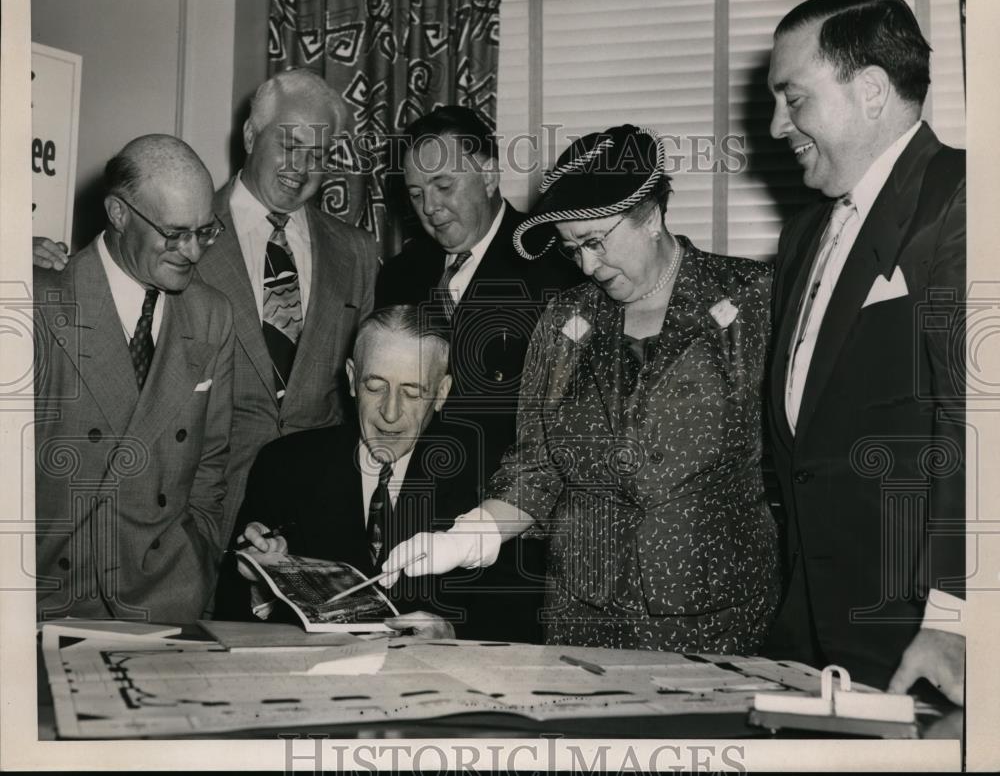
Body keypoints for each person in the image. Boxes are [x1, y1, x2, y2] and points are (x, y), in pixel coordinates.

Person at [383, 125, 781, 654]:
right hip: (582, 614)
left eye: (596, 242)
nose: (588, 267)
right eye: (574, 251)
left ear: (652, 216)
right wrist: (464, 538)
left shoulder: (749, 300)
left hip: (715, 616)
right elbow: (537, 469)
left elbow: (799, 458)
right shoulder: (566, 318)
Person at [32, 69, 379, 560]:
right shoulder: (173, 223)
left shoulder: (358, 252)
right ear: (251, 135)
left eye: (319, 155)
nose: (301, 168)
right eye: (289, 144)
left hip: (310, 525)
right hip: (183, 528)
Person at [763, 0, 965, 699]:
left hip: (920, 635)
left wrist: (956, 615)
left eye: (793, 99)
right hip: (812, 628)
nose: (775, 125)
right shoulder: (803, 236)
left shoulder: (965, 198)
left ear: (872, 90)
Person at [375, 106, 579, 643]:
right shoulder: (400, 274)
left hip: (511, 547)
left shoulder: (556, 267)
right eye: (416, 194)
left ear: (489, 172)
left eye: (444, 185)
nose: (431, 209)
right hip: (411, 531)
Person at [34, 134, 234, 624]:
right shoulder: (37, 300)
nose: (192, 251)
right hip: (49, 601)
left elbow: (211, 463)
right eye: (174, 232)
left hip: (166, 600)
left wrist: (199, 556)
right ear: (119, 214)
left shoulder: (211, 315)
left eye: (205, 232)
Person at [213, 305, 485, 640]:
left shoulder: (484, 480)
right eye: (375, 386)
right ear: (353, 379)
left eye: (412, 392)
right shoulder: (285, 464)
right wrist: (260, 585)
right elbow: (230, 616)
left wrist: (452, 635)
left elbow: (517, 620)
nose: (389, 412)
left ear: (442, 393)